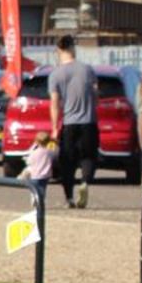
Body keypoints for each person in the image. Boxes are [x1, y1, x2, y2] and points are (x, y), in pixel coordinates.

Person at [47, 35, 99, 209]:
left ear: (59, 50)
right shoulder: (87, 70)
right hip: (89, 122)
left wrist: (54, 127)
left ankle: (69, 197)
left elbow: (54, 103)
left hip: (69, 123)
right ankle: (84, 182)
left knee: (67, 161)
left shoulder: (55, 74)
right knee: (88, 157)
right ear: (73, 49)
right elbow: (96, 93)